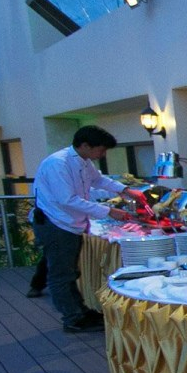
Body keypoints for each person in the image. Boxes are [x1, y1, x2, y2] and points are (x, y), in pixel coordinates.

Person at [32, 126, 146, 333]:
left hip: (69, 223)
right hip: (56, 223)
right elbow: (67, 199)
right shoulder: (58, 163)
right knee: (61, 274)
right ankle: (73, 318)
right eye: (101, 150)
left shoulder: (84, 161)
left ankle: (80, 312)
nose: (102, 155)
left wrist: (126, 190)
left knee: (70, 271)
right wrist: (109, 211)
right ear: (85, 145)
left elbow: (99, 180)